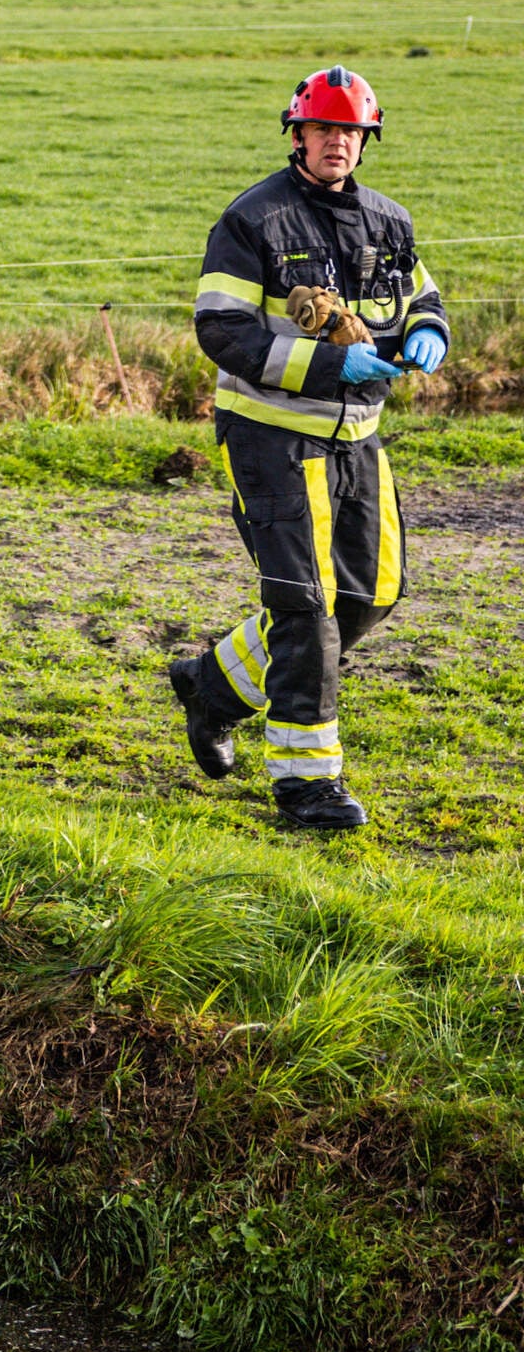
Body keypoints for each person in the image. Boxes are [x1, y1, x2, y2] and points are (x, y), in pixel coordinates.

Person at [166, 67, 445, 832]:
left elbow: (423, 294)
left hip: (358, 435)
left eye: (351, 132)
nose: (337, 143)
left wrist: (428, 330)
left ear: (365, 140)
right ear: (298, 135)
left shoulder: (389, 220)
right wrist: (329, 364)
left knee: (371, 595)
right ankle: (306, 786)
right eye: (324, 129)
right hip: (270, 436)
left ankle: (212, 687)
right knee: (305, 607)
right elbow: (220, 328)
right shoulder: (252, 219)